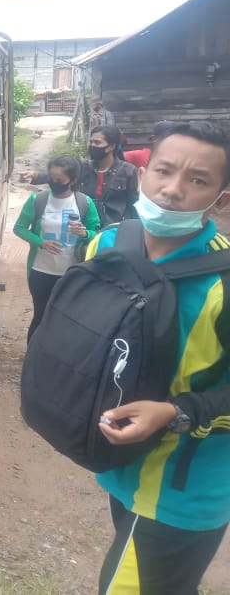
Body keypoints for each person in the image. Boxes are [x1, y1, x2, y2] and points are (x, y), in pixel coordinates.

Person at [84, 121, 230, 593]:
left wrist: (175, 411)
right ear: (142, 176)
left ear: (221, 200)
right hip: (118, 465)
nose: (172, 190)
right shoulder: (106, 244)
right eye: (164, 171)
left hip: (185, 491)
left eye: (198, 180)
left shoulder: (224, 284)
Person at [13, 154, 101, 340]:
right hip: (40, 271)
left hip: (71, 273)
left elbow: (96, 234)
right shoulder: (38, 200)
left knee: (65, 319)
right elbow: (19, 228)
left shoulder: (84, 203)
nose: (54, 183)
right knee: (41, 317)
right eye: (51, 178)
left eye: (59, 180)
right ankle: (34, 359)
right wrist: (40, 242)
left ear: (73, 180)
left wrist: (85, 234)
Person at [25, 125, 138, 227]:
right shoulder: (84, 167)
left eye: (97, 143)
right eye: (91, 142)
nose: (92, 145)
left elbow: (133, 205)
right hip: (82, 227)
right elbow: (61, 176)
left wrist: (129, 229)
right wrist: (36, 175)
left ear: (111, 146)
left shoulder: (128, 171)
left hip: (112, 229)